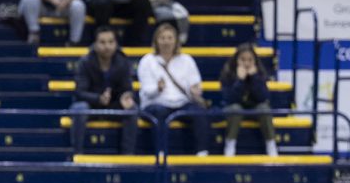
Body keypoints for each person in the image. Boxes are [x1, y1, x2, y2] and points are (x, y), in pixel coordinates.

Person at [138, 22, 210, 155]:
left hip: (182, 102)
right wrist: (157, 89)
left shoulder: (187, 60)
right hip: (156, 103)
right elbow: (146, 92)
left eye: (170, 38)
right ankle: (161, 153)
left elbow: (195, 85)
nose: (166, 42)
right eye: (162, 38)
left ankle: (202, 153)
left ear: (176, 40)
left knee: (199, 113)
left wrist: (195, 91)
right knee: (159, 112)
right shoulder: (147, 61)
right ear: (156, 41)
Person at [70, 25, 138, 154]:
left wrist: (126, 96)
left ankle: (128, 155)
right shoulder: (85, 62)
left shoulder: (123, 62)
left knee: (132, 108)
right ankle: (76, 154)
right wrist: (98, 98)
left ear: (116, 44)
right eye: (102, 42)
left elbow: (127, 88)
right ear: (95, 44)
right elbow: (79, 92)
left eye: (111, 42)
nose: (107, 46)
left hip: (113, 104)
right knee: (79, 108)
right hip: (91, 104)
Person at [220, 43, 277, 156]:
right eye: (243, 59)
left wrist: (254, 78)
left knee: (264, 108)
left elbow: (263, 97)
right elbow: (229, 99)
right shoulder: (228, 73)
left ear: (255, 61)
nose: (246, 63)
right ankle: (230, 145)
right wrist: (240, 81)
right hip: (234, 109)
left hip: (254, 108)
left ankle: (271, 145)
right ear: (236, 60)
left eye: (250, 60)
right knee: (235, 109)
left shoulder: (259, 73)